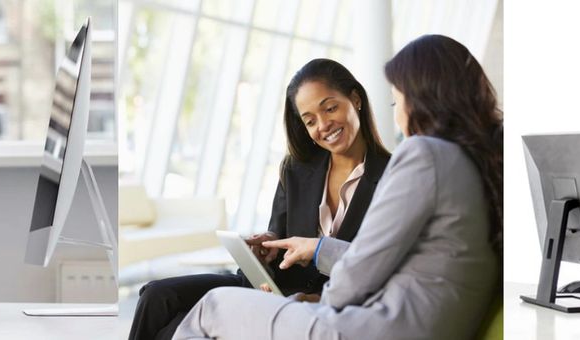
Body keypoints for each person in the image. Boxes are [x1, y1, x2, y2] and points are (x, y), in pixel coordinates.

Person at [172, 34, 502, 340]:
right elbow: (395, 260)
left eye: (397, 101)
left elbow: (363, 270)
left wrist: (313, 304)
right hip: (417, 325)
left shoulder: (424, 155)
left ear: (425, 98)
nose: (399, 116)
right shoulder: (476, 164)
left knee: (213, 306)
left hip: (375, 328)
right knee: (167, 298)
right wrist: (317, 250)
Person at [128, 58, 392, 340]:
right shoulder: (296, 170)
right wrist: (266, 249)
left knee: (173, 330)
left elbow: (380, 269)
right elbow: (278, 236)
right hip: (270, 288)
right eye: (310, 120)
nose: (324, 125)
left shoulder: (393, 178)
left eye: (330, 108)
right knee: (157, 296)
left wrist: (316, 299)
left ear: (355, 99)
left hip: (323, 307)